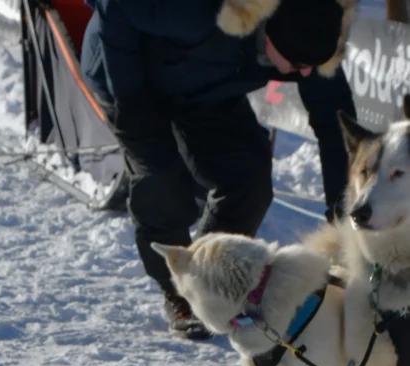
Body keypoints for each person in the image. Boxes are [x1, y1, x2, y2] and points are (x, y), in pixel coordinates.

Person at [81, 0, 357, 338]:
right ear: (268, 30)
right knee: (163, 179)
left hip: (207, 90)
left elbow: (337, 127)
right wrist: (129, 98)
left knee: (248, 178)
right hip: (131, 79)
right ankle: (176, 290)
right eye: (298, 64)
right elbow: (114, 7)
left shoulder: (309, 37)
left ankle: (206, 279)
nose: (304, 73)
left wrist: (344, 213)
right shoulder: (198, 11)